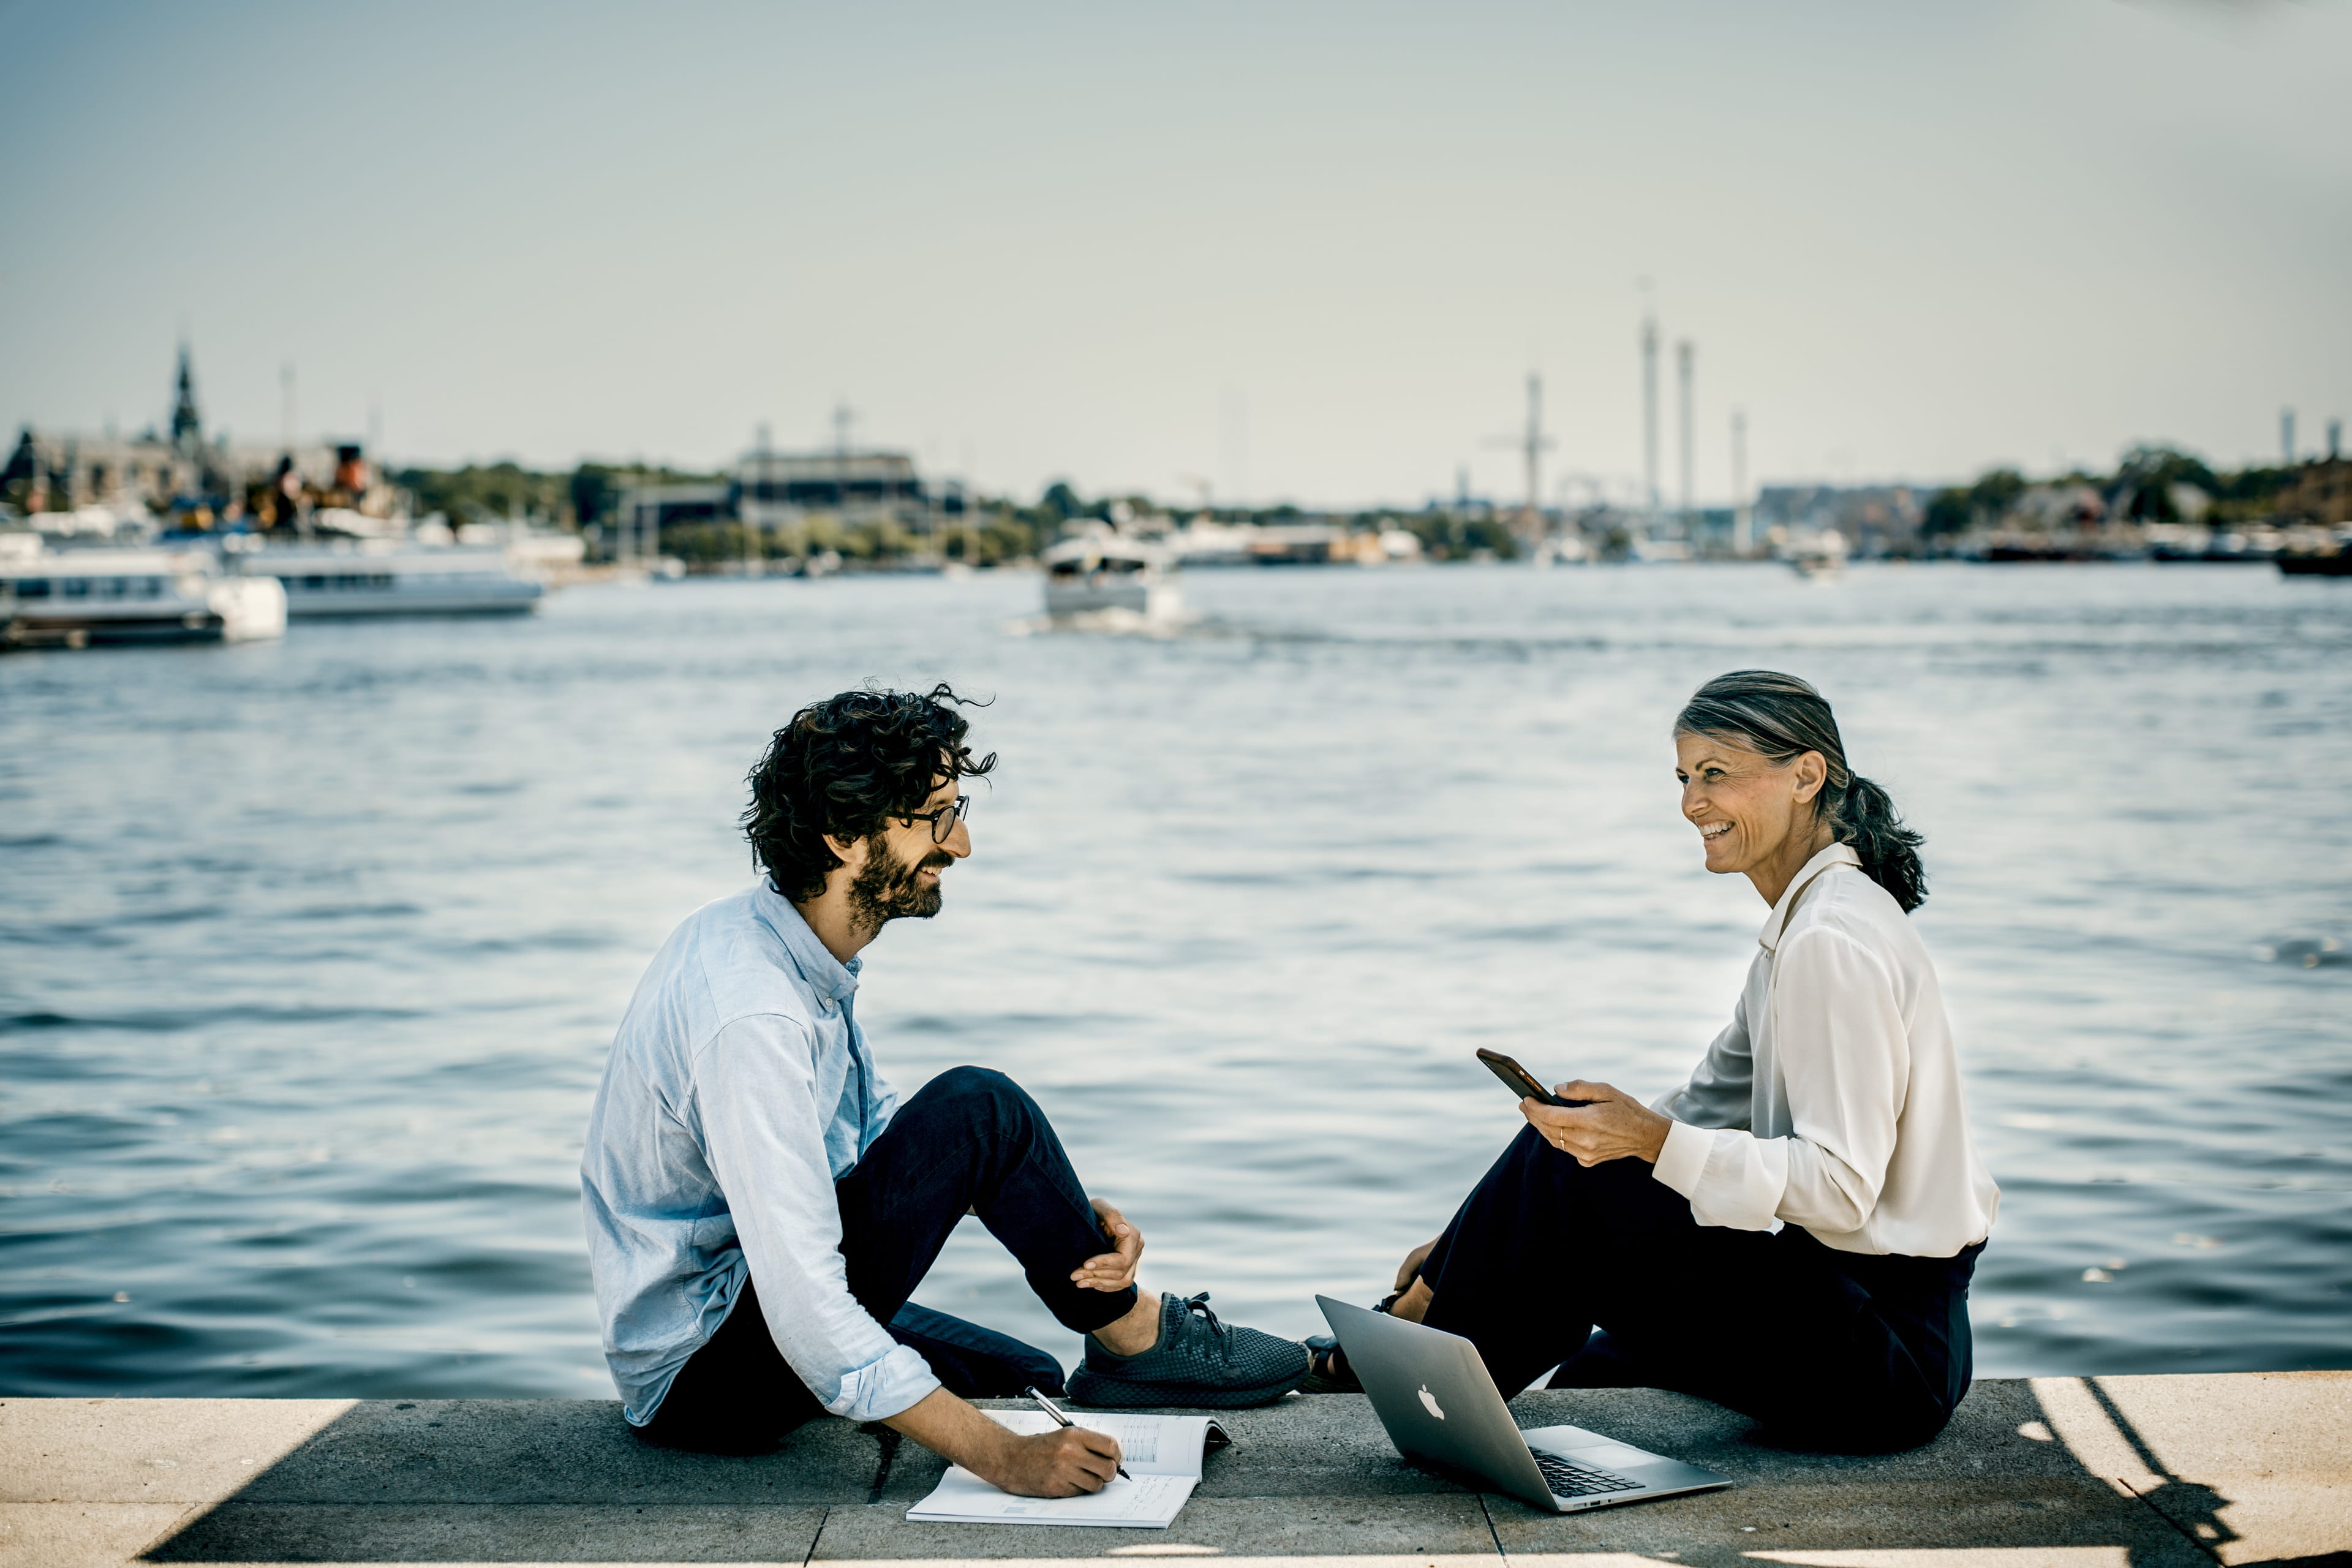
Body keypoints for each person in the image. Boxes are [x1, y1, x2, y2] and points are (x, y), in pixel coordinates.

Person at [581, 684, 1308, 1496]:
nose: (961, 844)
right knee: (977, 1105)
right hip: (704, 1379)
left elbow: (885, 1148)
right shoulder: (751, 1012)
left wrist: (1061, 1213)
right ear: (846, 835)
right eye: (937, 818)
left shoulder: (789, 950)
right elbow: (805, 1307)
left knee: (1024, 1373)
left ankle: (1122, 1344)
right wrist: (1003, 1459)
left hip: (749, 1313)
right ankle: (1136, 1335)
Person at [1309, 670, 1999, 1453]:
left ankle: (1409, 1366)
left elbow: (1842, 1190)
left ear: (1807, 776)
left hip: (1886, 1359)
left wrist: (1644, 1144)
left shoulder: (1830, 940)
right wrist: (1473, 1238)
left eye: (1715, 774)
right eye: (1683, 777)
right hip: (1846, 1313)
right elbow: (1701, 1105)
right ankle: (1429, 1321)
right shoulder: (1804, 926)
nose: (1690, 804)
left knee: (1576, 1164)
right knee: (1589, 1333)